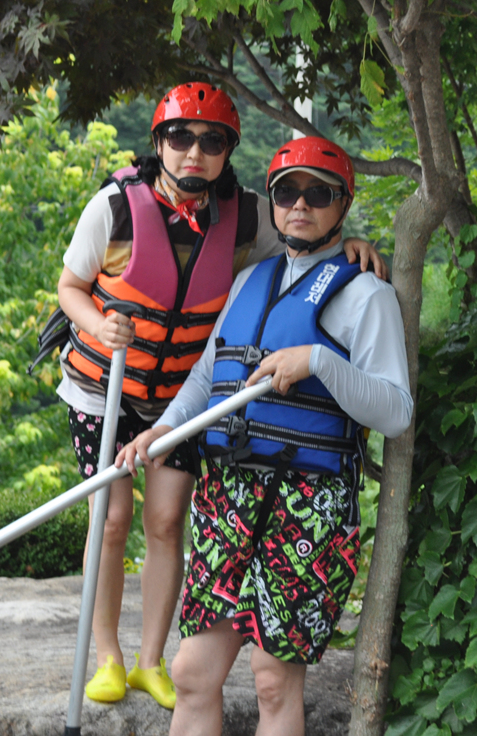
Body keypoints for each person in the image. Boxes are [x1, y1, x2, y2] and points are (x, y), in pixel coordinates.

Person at [51, 85, 386, 709]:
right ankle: (107, 657)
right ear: (158, 143)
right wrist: (100, 326)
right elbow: (70, 287)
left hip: (181, 395)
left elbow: (305, 238)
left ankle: (150, 662)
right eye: (180, 137)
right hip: (105, 389)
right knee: (111, 519)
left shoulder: (250, 215)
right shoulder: (115, 207)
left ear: (227, 152)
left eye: (211, 142)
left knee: (167, 520)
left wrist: (355, 245)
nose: (194, 153)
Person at [117, 136, 413, 734]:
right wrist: (165, 429)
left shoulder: (367, 294)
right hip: (228, 494)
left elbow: (396, 412)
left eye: (319, 193)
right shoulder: (251, 279)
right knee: (193, 671)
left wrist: (319, 361)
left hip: (307, 505)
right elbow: (209, 375)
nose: (300, 204)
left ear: (343, 203)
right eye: (286, 192)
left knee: (273, 679)